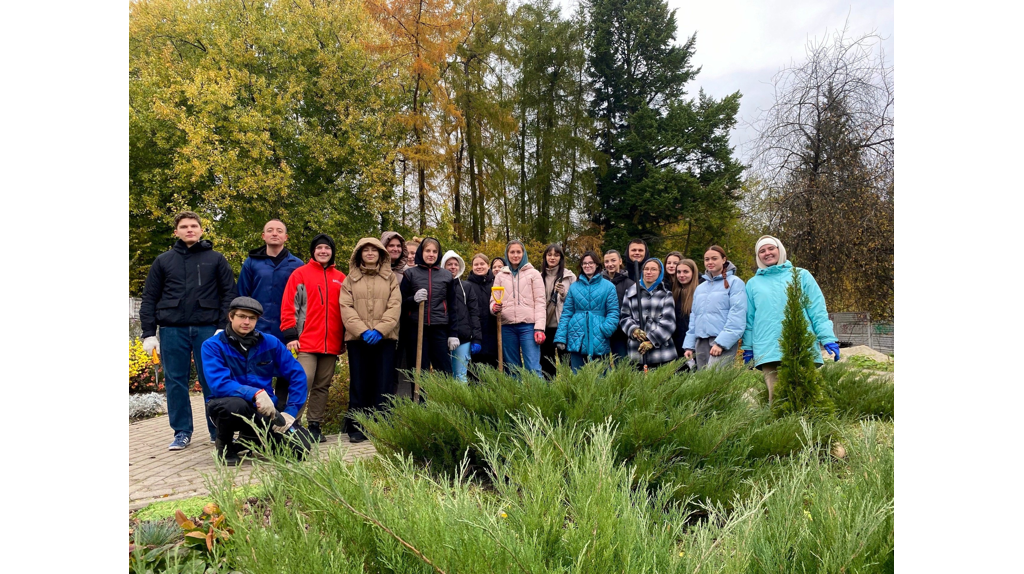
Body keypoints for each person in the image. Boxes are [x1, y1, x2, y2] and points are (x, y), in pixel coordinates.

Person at [140, 211, 236, 451]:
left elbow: (229, 294)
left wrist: (222, 327)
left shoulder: (216, 259)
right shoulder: (163, 261)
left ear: (201, 230)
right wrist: (149, 333)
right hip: (172, 329)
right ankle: (182, 431)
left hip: (207, 330)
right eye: (184, 226)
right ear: (176, 232)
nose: (189, 229)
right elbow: (149, 298)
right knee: (175, 382)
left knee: (212, 380)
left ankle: (218, 431)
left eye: (194, 226)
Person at [203, 297, 312, 465]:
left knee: (300, 450)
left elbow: (297, 374)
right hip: (227, 405)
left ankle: (251, 438)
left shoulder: (271, 343)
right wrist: (255, 393)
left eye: (252, 318)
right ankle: (224, 446)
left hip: (265, 409)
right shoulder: (212, 346)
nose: (246, 322)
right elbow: (219, 384)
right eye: (241, 316)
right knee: (234, 405)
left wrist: (290, 411)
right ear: (231, 317)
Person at [741, 235, 840, 403]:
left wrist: (827, 337)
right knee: (777, 398)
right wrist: (748, 347)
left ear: (780, 250)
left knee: (806, 395)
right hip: (768, 347)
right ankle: (779, 429)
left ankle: (811, 428)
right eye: (762, 251)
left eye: (771, 248)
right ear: (758, 257)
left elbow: (817, 310)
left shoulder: (801, 276)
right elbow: (749, 319)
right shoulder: (753, 284)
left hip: (801, 343)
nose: (767, 253)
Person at [280, 233, 347, 443]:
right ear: (313, 251)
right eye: (319, 248)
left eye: (327, 248)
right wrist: (290, 334)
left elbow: (346, 310)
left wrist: (345, 337)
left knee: (322, 385)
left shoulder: (341, 278)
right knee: (302, 381)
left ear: (332, 251)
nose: (323, 251)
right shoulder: (300, 274)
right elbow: (289, 304)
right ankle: (293, 424)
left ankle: (315, 425)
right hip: (305, 341)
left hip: (331, 343)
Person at [236, 219, 304, 410]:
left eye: (279, 231)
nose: (275, 233)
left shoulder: (297, 265)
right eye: (270, 230)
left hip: (288, 331)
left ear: (286, 237)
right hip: (258, 329)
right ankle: (256, 418)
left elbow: (303, 300)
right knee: (256, 373)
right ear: (263, 236)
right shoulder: (251, 263)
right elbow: (242, 296)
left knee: (286, 373)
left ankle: (281, 417)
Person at [339, 238, 402, 443]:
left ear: (380, 254)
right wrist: (363, 331)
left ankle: (380, 425)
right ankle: (357, 426)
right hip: (358, 339)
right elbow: (346, 307)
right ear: (359, 254)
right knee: (359, 381)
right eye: (365, 250)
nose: (369, 253)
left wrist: (380, 330)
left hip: (385, 339)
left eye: (373, 250)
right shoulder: (350, 279)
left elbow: (395, 306)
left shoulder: (390, 278)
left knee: (383, 382)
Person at [553, 251, 620, 373]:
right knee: (578, 377)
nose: (587, 266)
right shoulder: (574, 287)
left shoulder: (608, 286)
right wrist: (561, 337)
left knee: (602, 377)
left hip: (599, 337)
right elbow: (567, 313)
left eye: (590, 263)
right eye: (584, 263)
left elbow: (613, 312)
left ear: (597, 265)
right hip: (576, 336)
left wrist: (605, 330)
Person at [401, 237, 458, 375]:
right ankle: (419, 397)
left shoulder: (446, 275)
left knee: (444, 370)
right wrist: (413, 300)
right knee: (419, 370)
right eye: (428, 251)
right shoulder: (410, 274)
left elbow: (452, 306)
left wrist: (453, 333)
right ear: (421, 252)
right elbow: (401, 302)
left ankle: (443, 397)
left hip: (439, 328)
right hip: (417, 329)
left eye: (434, 251)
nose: (431, 254)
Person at [683, 246, 747, 369]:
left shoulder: (735, 282)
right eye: (707, 259)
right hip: (701, 342)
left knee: (716, 384)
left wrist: (721, 343)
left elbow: (737, 315)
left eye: (714, 258)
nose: (710, 262)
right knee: (703, 384)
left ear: (724, 260)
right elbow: (694, 317)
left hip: (721, 343)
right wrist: (689, 345)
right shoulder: (700, 288)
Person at [490, 240, 546, 376]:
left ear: (523, 254)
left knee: (533, 367)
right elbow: (493, 300)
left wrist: (539, 328)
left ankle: (536, 396)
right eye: (512, 252)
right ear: (507, 254)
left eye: (518, 252)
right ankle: (516, 397)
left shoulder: (534, 274)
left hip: (528, 326)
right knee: (512, 368)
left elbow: (540, 302)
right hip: (507, 326)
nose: (515, 255)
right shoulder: (500, 276)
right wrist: (494, 308)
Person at [619, 258, 678, 368]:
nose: (649, 272)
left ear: (660, 273)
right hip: (637, 351)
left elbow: (669, 323)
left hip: (662, 353)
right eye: (646, 269)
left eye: (653, 269)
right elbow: (624, 317)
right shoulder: (631, 293)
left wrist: (651, 340)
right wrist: (633, 330)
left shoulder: (666, 294)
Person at [440, 250, 483, 382]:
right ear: (443, 266)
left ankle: (461, 403)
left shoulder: (467, 287)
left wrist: (476, 338)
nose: (453, 267)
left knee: (460, 375)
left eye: (455, 264)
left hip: (463, 337)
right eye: (449, 264)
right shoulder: (438, 285)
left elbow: (474, 313)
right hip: (441, 336)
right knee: (444, 375)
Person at [381, 231, 414, 398]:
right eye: (391, 245)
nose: (395, 249)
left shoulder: (406, 273)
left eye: (398, 246)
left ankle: (394, 405)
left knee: (398, 368)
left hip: (402, 327)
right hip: (378, 328)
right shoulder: (375, 269)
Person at [540, 244, 576, 377]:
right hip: (545, 326)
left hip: (564, 326)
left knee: (566, 362)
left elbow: (577, 301)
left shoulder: (569, 276)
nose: (552, 258)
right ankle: (549, 393)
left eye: (556, 255)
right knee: (546, 363)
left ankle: (566, 392)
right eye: (549, 255)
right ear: (545, 257)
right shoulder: (539, 277)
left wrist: (564, 294)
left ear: (561, 257)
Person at [466, 253, 500, 371]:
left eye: (482, 264)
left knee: (494, 367)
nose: (479, 267)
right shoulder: (467, 285)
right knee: (475, 369)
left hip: (494, 332)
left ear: (488, 265)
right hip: (475, 333)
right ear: (472, 267)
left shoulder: (496, 283)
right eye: (476, 264)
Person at [602, 249, 634, 362]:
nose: (610, 264)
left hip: (621, 332)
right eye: (607, 261)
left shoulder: (630, 284)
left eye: (613, 260)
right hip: (602, 330)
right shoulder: (599, 282)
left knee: (621, 364)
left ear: (620, 261)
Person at [671, 259, 699, 368]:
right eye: (679, 272)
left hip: (694, 345)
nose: (681, 275)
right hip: (676, 345)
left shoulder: (699, 292)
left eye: (686, 272)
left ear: (693, 272)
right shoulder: (674, 293)